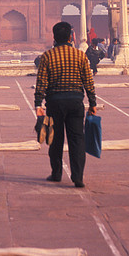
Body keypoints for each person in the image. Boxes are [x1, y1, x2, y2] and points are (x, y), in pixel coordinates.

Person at [35, 22, 97, 188]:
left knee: (55, 139)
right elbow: (88, 82)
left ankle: (56, 174)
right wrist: (92, 103)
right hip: (75, 102)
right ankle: (78, 177)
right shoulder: (80, 55)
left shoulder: (47, 56)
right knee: (77, 139)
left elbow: (41, 82)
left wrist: (37, 104)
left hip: (55, 103)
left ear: (54, 37)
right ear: (70, 37)